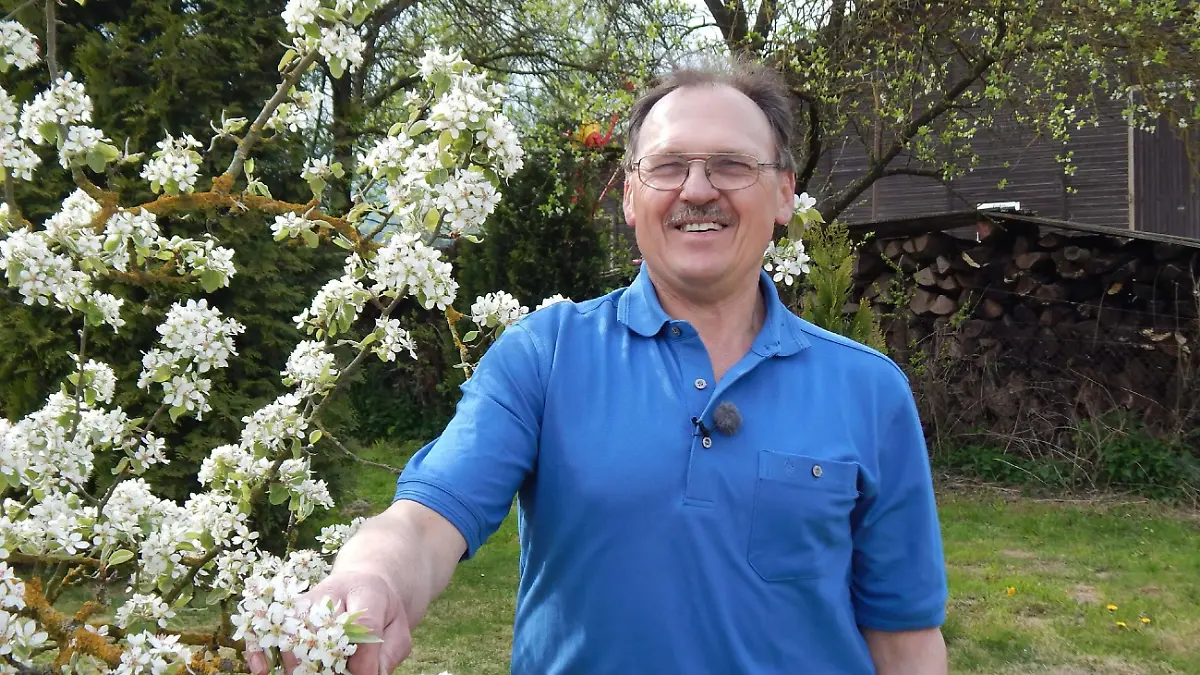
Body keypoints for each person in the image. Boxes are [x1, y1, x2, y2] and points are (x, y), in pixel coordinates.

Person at [250, 55, 949, 675]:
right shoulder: (545, 355)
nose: (698, 189)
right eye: (668, 166)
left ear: (785, 194)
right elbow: (427, 521)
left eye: (732, 165)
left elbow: (906, 638)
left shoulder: (869, 390)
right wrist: (369, 574)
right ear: (629, 194)